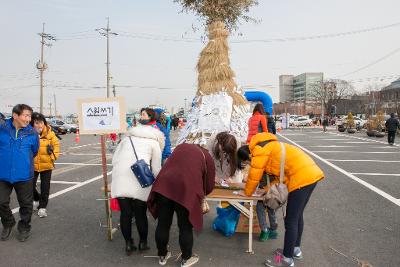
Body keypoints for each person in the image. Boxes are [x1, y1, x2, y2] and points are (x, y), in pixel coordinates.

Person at [238, 132, 324, 267]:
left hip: (302, 177)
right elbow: (281, 176)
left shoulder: (259, 150)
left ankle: (287, 259)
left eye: (247, 162)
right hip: (309, 174)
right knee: (297, 216)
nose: (250, 164)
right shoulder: (267, 146)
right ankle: (295, 250)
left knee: (290, 220)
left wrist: (247, 193)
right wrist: (266, 189)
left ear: (248, 156)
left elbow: (254, 174)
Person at [148, 143, 216, 267]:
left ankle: (162, 255)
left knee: (163, 224)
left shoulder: (180, 147)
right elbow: (209, 185)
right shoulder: (206, 156)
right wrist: (202, 192)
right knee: (185, 227)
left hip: (164, 186)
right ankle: (186, 258)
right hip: (186, 192)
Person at [111, 123, 164, 255]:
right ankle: (143, 243)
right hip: (140, 180)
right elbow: (156, 169)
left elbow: (114, 160)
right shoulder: (154, 143)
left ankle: (128, 244)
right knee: (140, 214)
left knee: (125, 214)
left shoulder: (126, 139)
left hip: (120, 178)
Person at [0, 104, 39, 242]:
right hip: (3, 173)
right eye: (26, 115)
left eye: (30, 116)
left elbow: (34, 151)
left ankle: (24, 227)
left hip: (24, 174)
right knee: (1, 201)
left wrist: (21, 161)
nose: (29, 119)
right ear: (15, 115)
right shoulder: (2, 129)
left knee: (26, 204)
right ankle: (8, 223)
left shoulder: (32, 133)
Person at [30, 112, 60, 218]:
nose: (40, 125)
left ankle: (42, 207)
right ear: (32, 123)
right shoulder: (29, 134)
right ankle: (37, 198)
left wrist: (52, 157)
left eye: (41, 122)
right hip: (32, 165)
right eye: (36, 123)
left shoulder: (50, 134)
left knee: (45, 187)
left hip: (47, 165)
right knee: (29, 186)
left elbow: (56, 145)